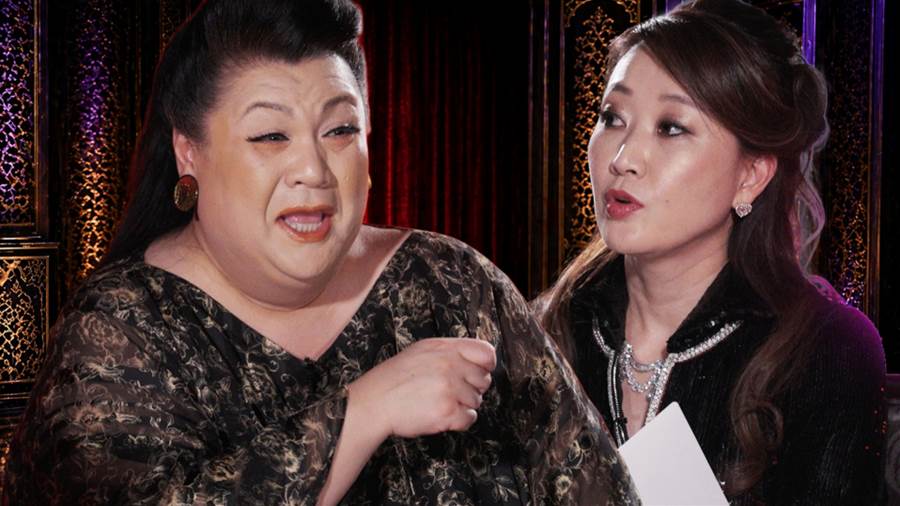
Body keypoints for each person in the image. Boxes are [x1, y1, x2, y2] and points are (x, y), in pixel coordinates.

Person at [1, 1, 638, 504]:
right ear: (188, 151)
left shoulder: (451, 282)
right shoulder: (121, 328)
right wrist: (364, 411)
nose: (313, 169)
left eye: (339, 130)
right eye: (270, 135)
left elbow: (599, 488)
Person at [535, 0, 886, 503]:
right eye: (612, 117)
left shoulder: (827, 352)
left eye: (671, 127)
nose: (623, 159)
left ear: (751, 175)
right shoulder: (548, 331)